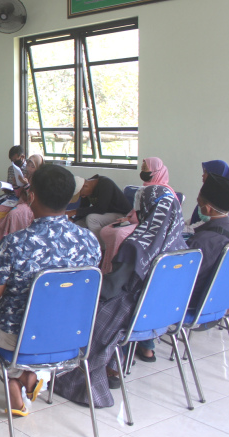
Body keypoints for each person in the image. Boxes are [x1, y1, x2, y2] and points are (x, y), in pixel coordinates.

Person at [0, 165, 101, 416]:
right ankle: (21, 378)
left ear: (31, 196)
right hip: (71, 333)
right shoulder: (90, 240)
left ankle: (19, 374)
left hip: (21, 335)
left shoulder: (14, 243)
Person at [54, 185, 186, 408]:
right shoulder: (181, 246)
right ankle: (112, 368)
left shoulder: (136, 246)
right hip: (159, 315)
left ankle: (70, 374)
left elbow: (109, 288)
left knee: (78, 306)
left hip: (130, 314)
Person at [99, 157, 177, 274]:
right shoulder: (144, 188)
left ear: (156, 172)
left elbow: (159, 217)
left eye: (145, 169)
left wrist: (134, 219)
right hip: (138, 221)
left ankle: (116, 270)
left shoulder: (164, 192)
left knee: (120, 234)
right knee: (106, 230)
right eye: (142, 168)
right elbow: (136, 210)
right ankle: (106, 267)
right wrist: (128, 218)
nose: (143, 172)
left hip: (151, 225)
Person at [186, 173, 229, 310]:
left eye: (199, 202)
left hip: (194, 306)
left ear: (207, 209)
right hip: (225, 302)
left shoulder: (200, 242)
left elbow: (182, 281)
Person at [0, 154, 44, 243]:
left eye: (32, 166)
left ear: (38, 167)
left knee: (14, 214)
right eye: (28, 165)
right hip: (20, 202)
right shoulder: (26, 176)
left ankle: (13, 241)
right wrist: (16, 184)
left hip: (30, 205)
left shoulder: (40, 179)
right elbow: (19, 194)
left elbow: (33, 197)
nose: (29, 168)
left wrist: (26, 185)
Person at [68, 174, 132, 249]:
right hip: (105, 215)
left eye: (82, 195)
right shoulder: (87, 188)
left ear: (85, 186)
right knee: (77, 224)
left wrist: (74, 212)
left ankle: (101, 249)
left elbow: (101, 209)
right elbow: (83, 208)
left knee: (91, 218)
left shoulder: (105, 184)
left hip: (121, 215)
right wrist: (73, 219)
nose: (83, 197)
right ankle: (79, 249)